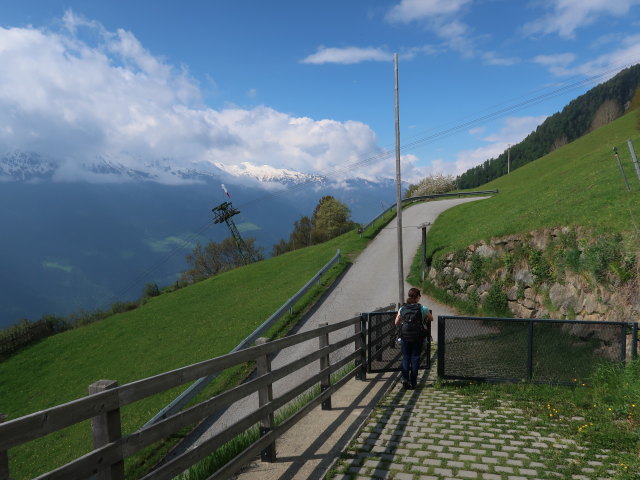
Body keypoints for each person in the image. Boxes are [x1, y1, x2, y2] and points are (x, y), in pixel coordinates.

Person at [394, 287, 433, 389]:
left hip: (405, 336)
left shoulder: (402, 308)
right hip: (417, 337)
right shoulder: (422, 308)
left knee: (406, 358)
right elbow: (431, 318)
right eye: (419, 296)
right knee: (415, 358)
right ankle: (414, 382)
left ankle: (405, 379)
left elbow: (396, 322)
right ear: (417, 297)